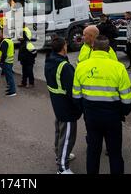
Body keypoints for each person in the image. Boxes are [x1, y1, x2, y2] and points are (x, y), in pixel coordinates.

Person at [73, 35, 131, 174]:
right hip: (113, 116)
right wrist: (122, 112)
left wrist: (85, 110)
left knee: (93, 152)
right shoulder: (119, 67)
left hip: (91, 115)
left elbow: (76, 96)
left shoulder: (81, 66)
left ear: (92, 48)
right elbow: (128, 98)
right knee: (115, 153)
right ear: (108, 49)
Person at [45, 37, 81, 174]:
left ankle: (59, 155)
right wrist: (79, 107)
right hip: (67, 108)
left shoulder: (49, 61)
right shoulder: (65, 66)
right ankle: (62, 167)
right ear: (63, 48)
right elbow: (73, 91)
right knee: (67, 138)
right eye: (66, 45)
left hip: (57, 104)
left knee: (59, 132)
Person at [0, 29, 16, 97]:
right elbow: (13, 51)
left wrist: (1, 62)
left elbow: (4, 54)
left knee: (10, 77)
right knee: (9, 77)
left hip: (6, 62)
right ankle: (11, 89)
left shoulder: (5, 42)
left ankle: (12, 91)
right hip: (10, 62)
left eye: (0, 33)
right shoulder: (10, 41)